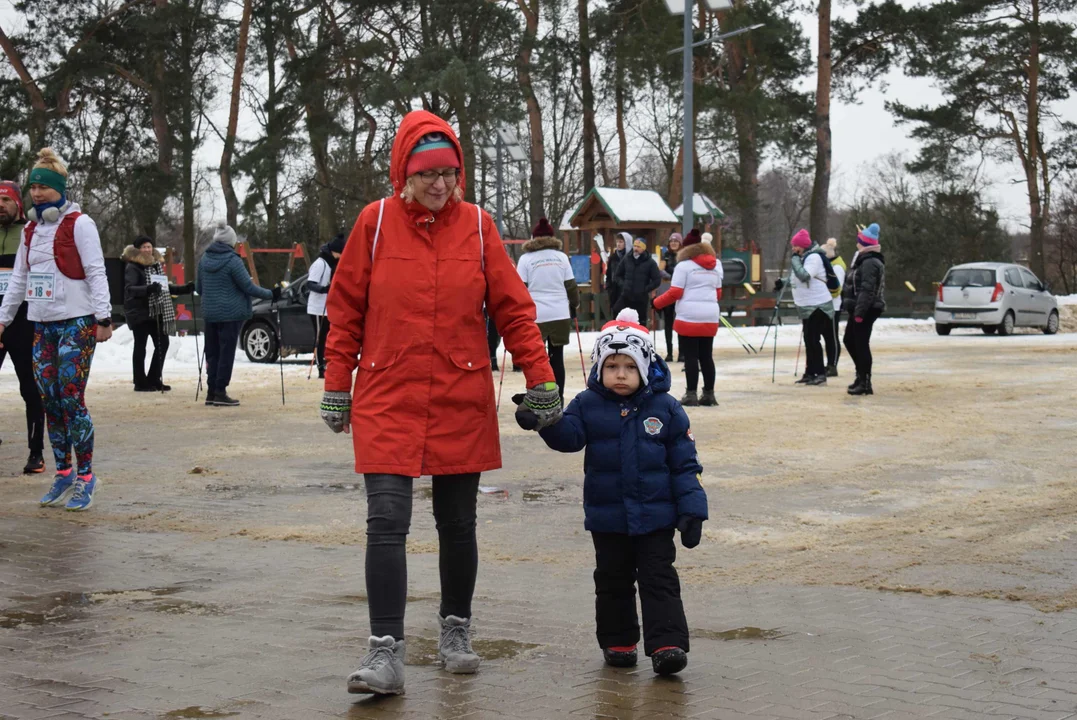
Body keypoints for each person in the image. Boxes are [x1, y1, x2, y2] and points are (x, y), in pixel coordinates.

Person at [317, 110, 558, 696]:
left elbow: (515, 309)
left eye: (450, 172)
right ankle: (385, 654)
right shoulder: (373, 223)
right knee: (386, 521)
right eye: (428, 173)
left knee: (457, 522)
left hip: (459, 390)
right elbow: (345, 310)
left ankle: (455, 630)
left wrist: (542, 378)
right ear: (405, 172)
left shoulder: (478, 227)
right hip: (388, 392)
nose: (440, 183)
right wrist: (335, 384)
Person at [519, 308, 707, 676]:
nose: (620, 374)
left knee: (659, 579)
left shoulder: (666, 409)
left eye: (630, 367)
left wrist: (693, 509)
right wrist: (543, 421)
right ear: (598, 369)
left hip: (656, 517)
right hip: (609, 518)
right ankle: (618, 641)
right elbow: (569, 439)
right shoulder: (587, 404)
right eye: (612, 366)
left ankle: (666, 644)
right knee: (612, 580)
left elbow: (685, 464)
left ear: (645, 368)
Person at [0, 148, 113, 511]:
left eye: (43, 187)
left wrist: (104, 318)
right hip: (41, 323)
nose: (36, 193)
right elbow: (19, 279)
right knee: (49, 400)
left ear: (59, 189)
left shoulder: (81, 224)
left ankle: (86, 476)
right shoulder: (31, 230)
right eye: (32, 187)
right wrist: (3, 319)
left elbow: (96, 270)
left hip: (77, 321)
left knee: (70, 397)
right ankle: (63, 471)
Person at [195, 221, 279, 407]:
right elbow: (248, 287)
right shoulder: (233, 261)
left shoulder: (204, 260)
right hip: (230, 315)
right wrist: (271, 294)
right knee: (226, 353)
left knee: (212, 352)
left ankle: (210, 391)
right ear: (230, 242)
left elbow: (199, 288)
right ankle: (220, 391)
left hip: (210, 314)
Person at [0, 180, 46, 474]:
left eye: (5, 200)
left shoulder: (31, 233)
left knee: (30, 387)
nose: (0, 206)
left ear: (18, 203)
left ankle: (36, 452)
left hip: (23, 321)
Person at [653, 230, 723, 407]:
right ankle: (709, 394)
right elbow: (718, 293)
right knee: (706, 355)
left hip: (689, 315)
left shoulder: (683, 266)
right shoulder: (716, 265)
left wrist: (656, 303)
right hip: (710, 315)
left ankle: (691, 394)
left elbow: (675, 292)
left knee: (691, 356)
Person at [517, 217, 579, 401]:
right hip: (559, 313)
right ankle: (558, 397)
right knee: (556, 358)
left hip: (536, 314)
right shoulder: (561, 257)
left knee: (536, 358)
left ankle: (539, 396)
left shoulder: (526, 259)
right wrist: (573, 305)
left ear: (533, 237)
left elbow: (520, 288)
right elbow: (571, 286)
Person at [122, 237, 193, 392]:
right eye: (144, 247)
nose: (147, 249)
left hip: (157, 311)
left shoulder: (156, 266)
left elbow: (163, 287)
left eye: (149, 247)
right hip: (139, 311)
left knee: (163, 343)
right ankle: (140, 382)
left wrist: (183, 289)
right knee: (140, 346)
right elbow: (130, 289)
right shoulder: (133, 267)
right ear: (137, 249)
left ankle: (154, 378)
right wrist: (148, 289)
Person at [842, 223, 885, 396]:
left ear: (864, 243)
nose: (856, 242)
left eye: (859, 240)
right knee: (849, 340)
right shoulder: (863, 259)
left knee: (860, 343)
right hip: (860, 307)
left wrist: (859, 313)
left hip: (867, 308)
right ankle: (861, 375)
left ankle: (865, 382)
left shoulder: (869, 262)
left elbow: (867, 289)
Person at [789, 229, 834, 386]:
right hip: (807, 305)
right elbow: (796, 277)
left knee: (814, 339)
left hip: (818, 305)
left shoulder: (814, 257)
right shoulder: (804, 258)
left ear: (802, 246)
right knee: (809, 339)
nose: (794, 249)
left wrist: (794, 260)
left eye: (795, 246)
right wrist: (783, 281)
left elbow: (805, 275)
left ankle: (820, 373)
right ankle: (810, 372)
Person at [305, 233, 346, 379]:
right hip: (317, 308)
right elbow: (310, 283)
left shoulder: (331, 263)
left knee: (329, 337)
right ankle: (320, 367)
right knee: (320, 338)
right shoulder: (320, 263)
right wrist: (324, 289)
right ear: (335, 251)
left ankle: (327, 363)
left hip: (328, 307)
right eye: (341, 253)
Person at [612, 237, 660, 327]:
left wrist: (645, 289)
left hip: (640, 297)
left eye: (639, 246)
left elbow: (657, 280)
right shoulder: (627, 259)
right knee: (616, 310)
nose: (636, 249)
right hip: (626, 295)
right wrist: (624, 285)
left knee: (640, 322)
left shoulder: (650, 262)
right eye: (635, 246)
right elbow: (617, 275)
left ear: (644, 248)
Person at [822, 238, 847, 377]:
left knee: (832, 336)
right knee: (827, 336)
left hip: (833, 306)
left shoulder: (837, 267)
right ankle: (829, 364)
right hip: (827, 305)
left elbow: (836, 288)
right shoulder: (832, 264)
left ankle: (833, 365)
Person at [658, 232, 683, 362]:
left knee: (680, 323)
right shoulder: (665, 256)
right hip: (668, 291)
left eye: (676, 241)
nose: (673, 243)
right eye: (671, 241)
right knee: (668, 323)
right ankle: (669, 352)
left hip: (680, 293)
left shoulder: (683, 256)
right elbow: (660, 270)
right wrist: (670, 277)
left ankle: (682, 353)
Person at [605, 232, 628, 310]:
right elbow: (608, 274)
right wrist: (609, 289)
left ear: (626, 243)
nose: (618, 244)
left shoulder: (629, 257)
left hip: (627, 291)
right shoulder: (613, 258)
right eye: (617, 242)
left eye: (621, 242)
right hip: (615, 292)